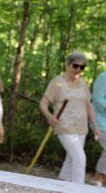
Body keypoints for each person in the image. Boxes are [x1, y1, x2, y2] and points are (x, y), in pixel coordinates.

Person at [39, 52, 101, 184]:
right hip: (65, 126)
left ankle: (63, 183)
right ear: (68, 65)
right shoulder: (57, 82)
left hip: (81, 128)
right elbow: (43, 103)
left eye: (82, 67)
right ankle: (78, 189)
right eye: (75, 66)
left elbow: (88, 106)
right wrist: (50, 116)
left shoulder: (83, 83)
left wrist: (96, 127)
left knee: (71, 159)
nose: (78, 69)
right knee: (80, 158)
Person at [92, 71, 106, 186]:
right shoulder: (104, 77)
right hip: (99, 121)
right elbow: (96, 99)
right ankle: (98, 177)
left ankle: (101, 177)